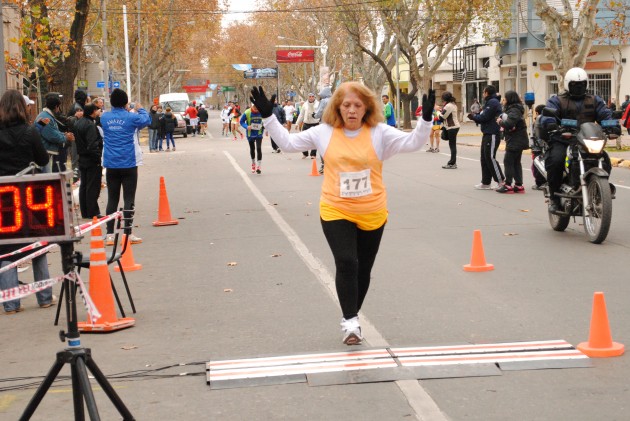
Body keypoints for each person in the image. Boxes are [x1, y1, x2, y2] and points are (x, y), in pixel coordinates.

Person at [250, 83, 435, 345]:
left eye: (358, 105)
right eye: (346, 105)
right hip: (336, 208)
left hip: (372, 211)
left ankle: (352, 314)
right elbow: (289, 144)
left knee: (363, 270)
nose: (351, 110)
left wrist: (425, 120)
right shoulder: (324, 132)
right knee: (347, 262)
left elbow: (413, 143)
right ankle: (350, 322)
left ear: (367, 108)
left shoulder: (379, 133)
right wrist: (268, 116)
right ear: (337, 106)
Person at [0, 90, 55, 314]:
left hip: (4, 197)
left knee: (5, 249)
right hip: (30, 195)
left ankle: (11, 304)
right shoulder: (30, 133)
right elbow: (43, 159)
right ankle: (44, 297)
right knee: (37, 245)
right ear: (22, 108)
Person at [541, 67, 617, 213]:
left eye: (581, 84)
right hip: (563, 139)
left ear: (586, 84)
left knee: (605, 160)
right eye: (575, 85)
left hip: (587, 140)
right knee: (556, 160)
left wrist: (613, 126)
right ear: (568, 85)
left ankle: (598, 191)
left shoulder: (595, 100)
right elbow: (548, 114)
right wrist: (550, 122)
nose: (579, 87)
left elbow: (605, 114)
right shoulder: (557, 100)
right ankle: (554, 198)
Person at [100, 88, 151, 244]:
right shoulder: (131, 117)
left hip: (111, 163)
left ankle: (109, 234)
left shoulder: (104, 117)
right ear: (125, 102)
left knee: (112, 198)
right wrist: (139, 108)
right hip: (128, 162)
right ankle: (128, 233)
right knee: (129, 198)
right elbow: (147, 120)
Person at [468, 85, 505, 190]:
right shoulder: (489, 102)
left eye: (483, 92)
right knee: (484, 158)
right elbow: (484, 114)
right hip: (487, 133)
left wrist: (475, 117)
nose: (483, 94)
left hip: (492, 133)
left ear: (487, 93)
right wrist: (476, 115)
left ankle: (501, 181)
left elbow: (484, 117)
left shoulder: (493, 102)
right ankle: (486, 182)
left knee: (490, 157)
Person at [495, 91, 528, 193]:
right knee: (516, 162)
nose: (503, 100)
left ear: (509, 99)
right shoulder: (515, 108)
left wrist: (500, 121)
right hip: (517, 138)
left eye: (504, 98)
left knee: (508, 161)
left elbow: (509, 124)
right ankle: (518, 185)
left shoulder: (514, 110)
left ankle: (508, 185)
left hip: (515, 139)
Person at [74, 103, 104, 218]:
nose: (98, 112)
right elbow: (92, 144)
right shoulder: (90, 125)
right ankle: (93, 211)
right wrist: (97, 157)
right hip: (91, 158)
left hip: (82, 157)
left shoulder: (78, 123)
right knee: (93, 186)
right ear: (92, 112)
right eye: (96, 110)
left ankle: (85, 211)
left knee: (84, 185)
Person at [35, 92, 75, 173]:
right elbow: (52, 135)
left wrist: (64, 134)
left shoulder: (46, 115)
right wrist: (65, 137)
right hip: (44, 152)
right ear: (56, 106)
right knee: (45, 178)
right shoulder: (45, 117)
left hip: (45, 151)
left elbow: (53, 131)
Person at [240, 104, 265, 174]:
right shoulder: (247, 112)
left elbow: (266, 121)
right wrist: (246, 126)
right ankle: (253, 163)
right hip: (250, 134)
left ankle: (259, 166)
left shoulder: (262, 111)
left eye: (257, 108)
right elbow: (241, 121)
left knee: (259, 148)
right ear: (252, 106)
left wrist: (265, 128)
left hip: (259, 133)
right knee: (252, 149)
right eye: (255, 107)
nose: (256, 109)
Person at [439, 91, 460, 169]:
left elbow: (441, 117)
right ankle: (452, 162)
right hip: (452, 127)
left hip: (452, 127)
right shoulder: (452, 104)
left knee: (452, 145)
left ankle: (452, 163)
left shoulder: (448, 106)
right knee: (451, 144)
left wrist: (438, 112)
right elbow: (445, 114)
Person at [297, 93, 320, 159]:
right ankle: (305, 153)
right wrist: (297, 123)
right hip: (306, 124)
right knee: (303, 139)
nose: (311, 98)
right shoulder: (305, 104)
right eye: (309, 96)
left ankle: (313, 154)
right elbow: (301, 115)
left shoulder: (318, 104)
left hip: (315, 123)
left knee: (315, 140)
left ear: (314, 97)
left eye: (312, 96)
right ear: (308, 97)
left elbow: (321, 112)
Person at [530, 104, 547, 190]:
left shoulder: (537, 120)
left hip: (538, 147)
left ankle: (540, 183)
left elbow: (536, 135)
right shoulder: (548, 119)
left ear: (536, 112)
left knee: (537, 165)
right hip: (546, 146)